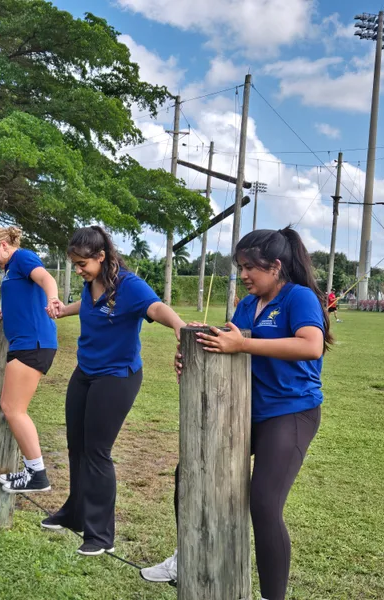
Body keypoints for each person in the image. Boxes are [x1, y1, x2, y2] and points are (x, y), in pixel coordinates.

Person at [141, 227, 331, 600]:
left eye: (250, 268)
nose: (243, 275)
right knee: (192, 472)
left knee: (263, 502)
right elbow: (229, 343)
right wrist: (193, 352)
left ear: (275, 266)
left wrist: (242, 342)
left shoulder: (299, 298)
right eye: (240, 267)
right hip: (245, 411)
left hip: (290, 414)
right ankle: (188, 558)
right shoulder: (247, 305)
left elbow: (312, 346)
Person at [43, 226, 185, 556]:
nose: (78, 270)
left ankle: (100, 534)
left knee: (96, 451)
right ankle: (75, 512)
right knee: (76, 445)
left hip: (117, 376)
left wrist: (180, 326)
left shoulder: (129, 285)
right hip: (85, 372)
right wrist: (66, 310)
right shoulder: (92, 282)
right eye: (75, 265)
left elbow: (155, 308)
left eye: (82, 264)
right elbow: (92, 303)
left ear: (101, 256)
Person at [0, 225, 62, 493]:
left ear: (4, 245)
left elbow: (46, 279)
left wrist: (53, 299)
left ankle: (36, 474)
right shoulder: (9, 269)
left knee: (13, 408)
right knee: (10, 407)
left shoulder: (22, 258)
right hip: (22, 343)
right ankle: (32, 471)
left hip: (34, 343)